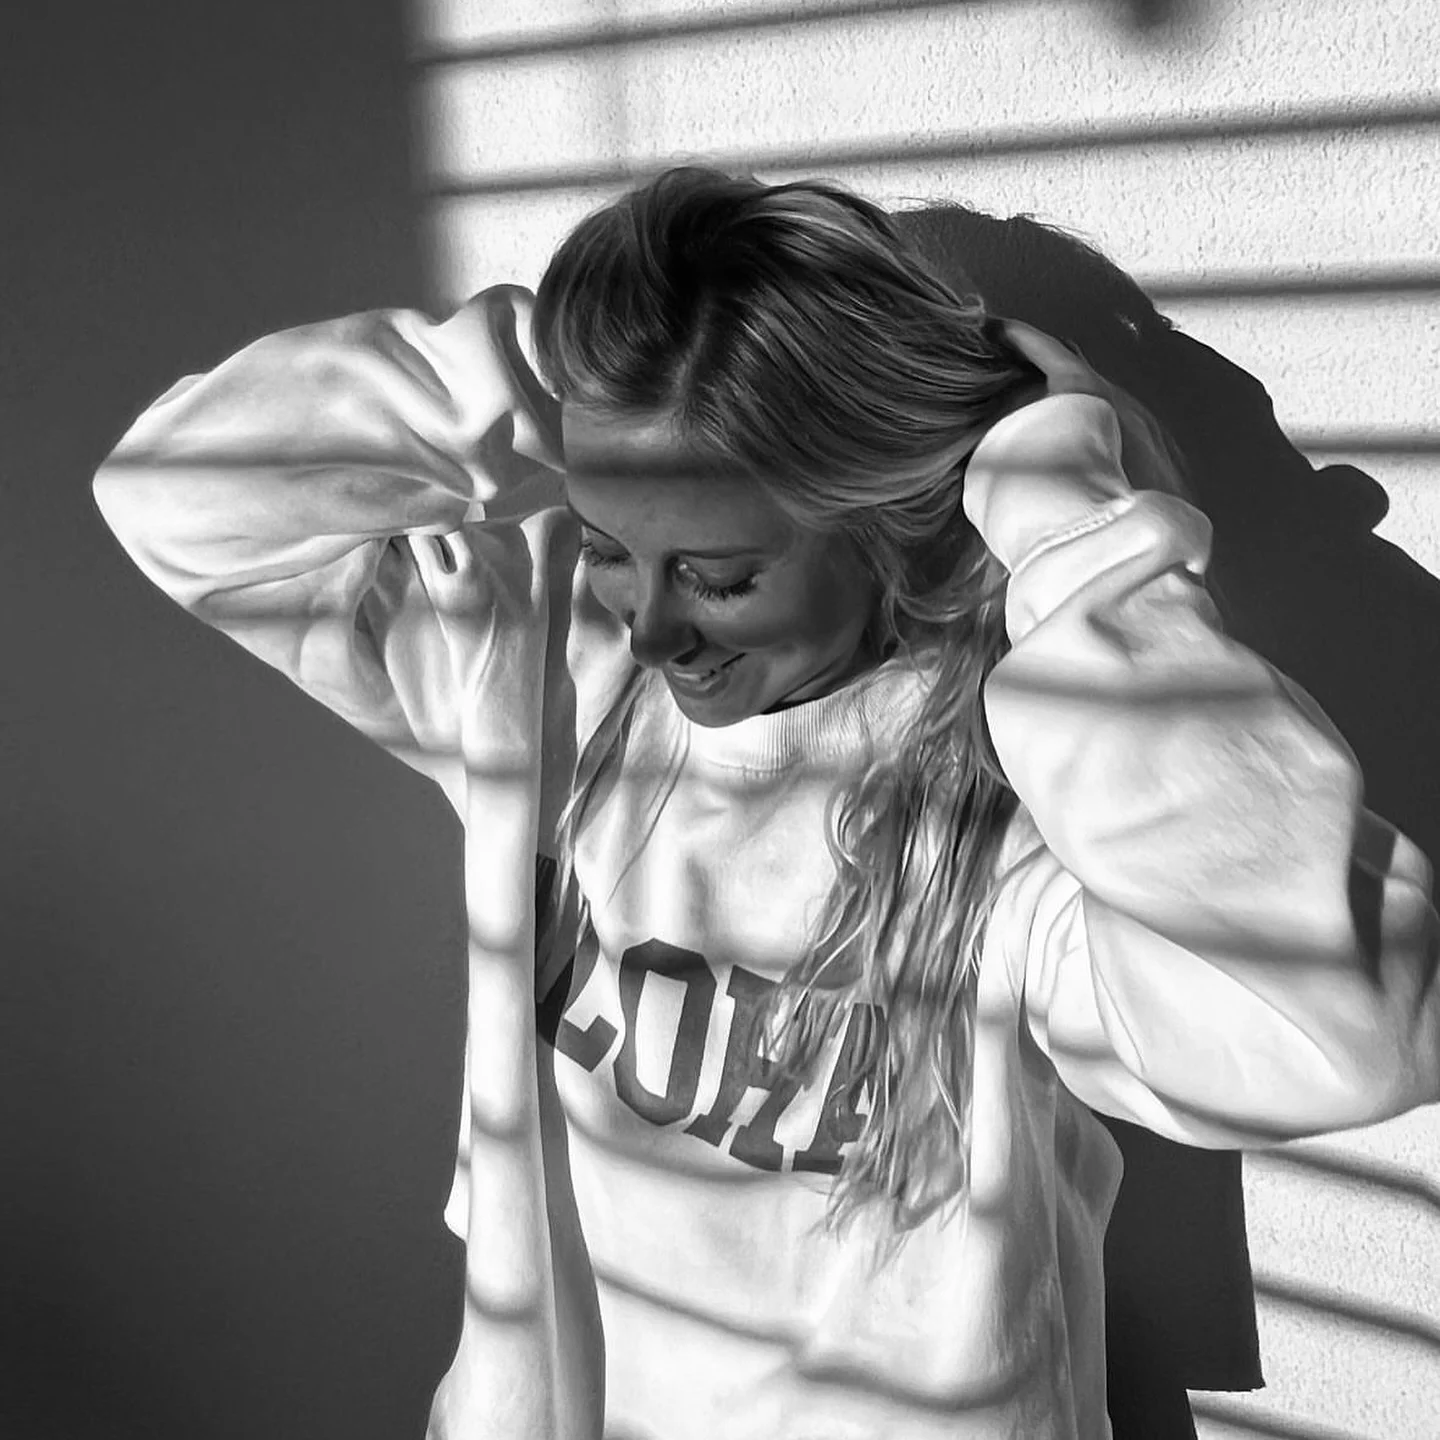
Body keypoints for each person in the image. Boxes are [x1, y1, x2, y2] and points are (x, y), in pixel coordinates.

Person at [92, 166, 1440, 1440]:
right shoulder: (549, 673)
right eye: (612, 548)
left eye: (721, 576)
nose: (652, 628)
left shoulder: (1013, 795)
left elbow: (1356, 1028)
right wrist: (554, 385)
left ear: (878, 525)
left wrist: (1067, 519)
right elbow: (172, 499)